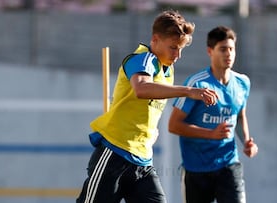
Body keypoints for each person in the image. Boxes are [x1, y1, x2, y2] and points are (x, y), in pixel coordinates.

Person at [76, 10, 218, 203]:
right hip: (114, 155)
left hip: (142, 162)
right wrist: (188, 91)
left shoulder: (167, 70)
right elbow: (141, 89)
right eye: (173, 48)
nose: (177, 55)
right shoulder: (142, 59)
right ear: (155, 39)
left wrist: (151, 131)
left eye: (181, 49)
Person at [168, 26, 258, 203]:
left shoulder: (242, 82)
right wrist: (210, 134)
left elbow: (239, 116)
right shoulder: (197, 83)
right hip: (197, 169)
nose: (228, 54)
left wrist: (246, 141)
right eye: (223, 49)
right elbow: (174, 125)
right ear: (210, 51)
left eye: (231, 49)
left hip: (228, 164)